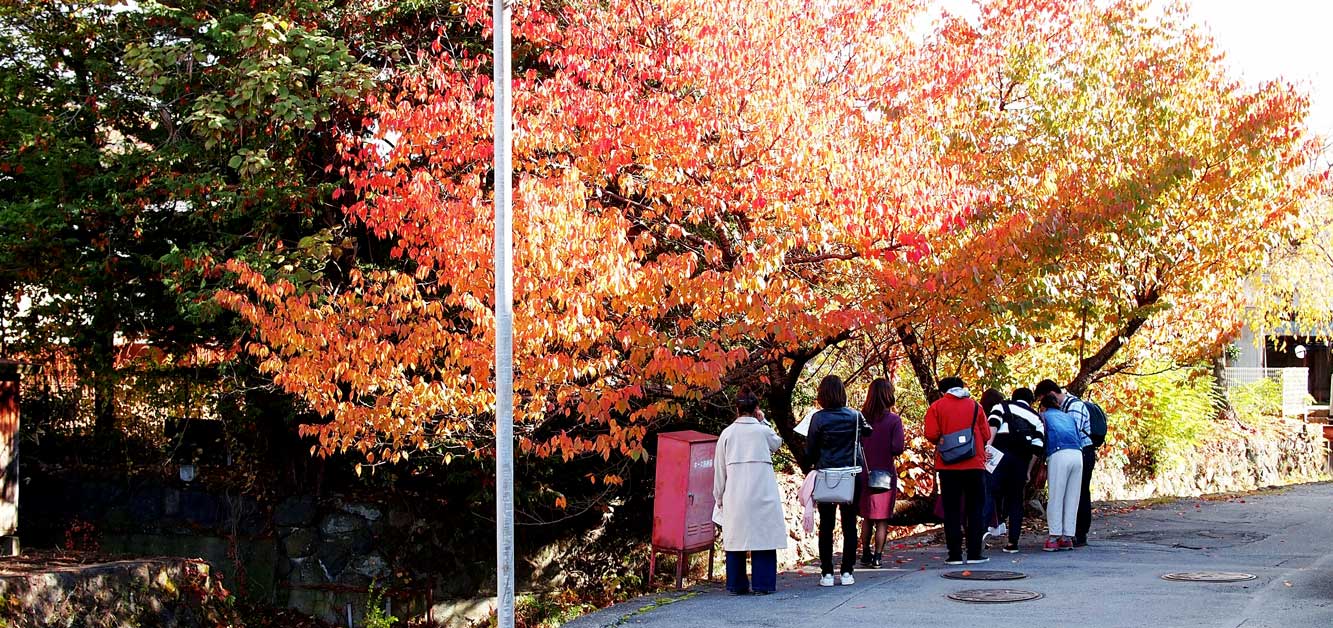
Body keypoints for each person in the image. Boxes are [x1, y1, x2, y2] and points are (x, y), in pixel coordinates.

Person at [713, 388, 788, 595]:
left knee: (736, 539)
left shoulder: (727, 434)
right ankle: (763, 585)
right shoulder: (763, 431)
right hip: (762, 492)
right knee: (763, 538)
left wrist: (718, 496)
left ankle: (736, 584)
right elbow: (777, 443)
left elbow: (719, 470)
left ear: (736, 409)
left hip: (735, 494)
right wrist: (763, 421)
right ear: (756, 409)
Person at [806, 375, 872, 586]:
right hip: (851, 474)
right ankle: (847, 572)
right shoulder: (854, 415)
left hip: (827, 474)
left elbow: (811, 450)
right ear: (842, 393)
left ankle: (826, 572)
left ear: (822, 395)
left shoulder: (818, 418)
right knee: (849, 524)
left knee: (826, 525)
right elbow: (868, 432)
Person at [924, 376, 991, 565]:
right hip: (975, 464)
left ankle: (954, 554)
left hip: (948, 465)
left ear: (942, 391)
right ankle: (974, 553)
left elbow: (931, 434)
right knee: (975, 508)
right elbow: (986, 434)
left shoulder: (936, 407)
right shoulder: (976, 406)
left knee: (952, 510)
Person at [1035, 379, 1096, 546]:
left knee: (1056, 495)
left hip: (1059, 453)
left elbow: (1040, 439)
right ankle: (1068, 536)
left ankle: (1054, 536)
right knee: (1073, 496)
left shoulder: (1044, 416)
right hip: (1078, 454)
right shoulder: (1067, 416)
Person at [986, 387, 1045, 553]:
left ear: (1013, 396)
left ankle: (983, 531)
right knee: (1015, 500)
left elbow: (992, 426)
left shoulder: (1001, 406)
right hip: (1020, 460)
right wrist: (1028, 470)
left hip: (999, 456)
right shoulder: (1036, 418)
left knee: (989, 492)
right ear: (1031, 401)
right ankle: (1013, 542)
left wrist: (987, 451)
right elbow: (1037, 447)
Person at [856, 378, 905, 569]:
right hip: (884, 474)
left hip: (864, 473)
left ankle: (865, 552)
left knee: (867, 516)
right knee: (882, 518)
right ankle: (877, 556)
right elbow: (897, 447)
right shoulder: (894, 420)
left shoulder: (861, 418)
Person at [977, 388, 1006, 543]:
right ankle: (998, 522)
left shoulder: (983, 417)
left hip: (987, 459)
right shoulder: (1003, 415)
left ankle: (985, 526)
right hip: (1000, 458)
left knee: (986, 492)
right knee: (997, 494)